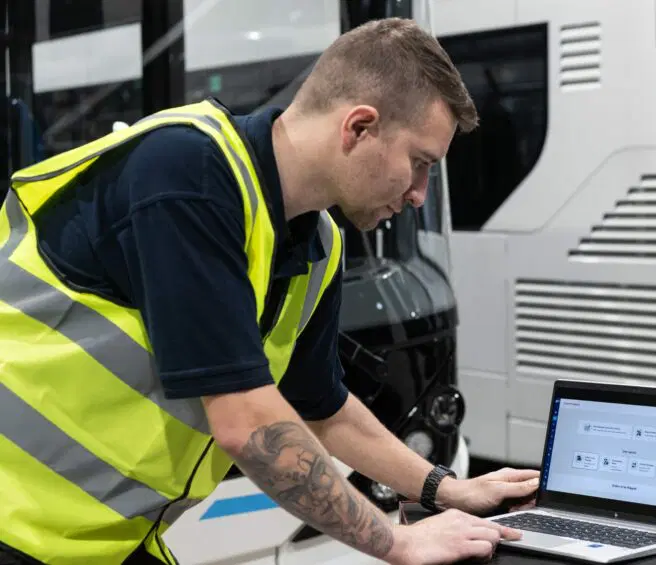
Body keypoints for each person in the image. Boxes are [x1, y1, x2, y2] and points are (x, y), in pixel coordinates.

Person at [0, 17, 539, 565]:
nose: (420, 194)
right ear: (358, 127)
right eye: (419, 163)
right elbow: (245, 421)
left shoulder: (319, 245)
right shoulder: (187, 170)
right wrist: (394, 540)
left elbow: (321, 407)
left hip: (96, 540)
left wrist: (445, 488)